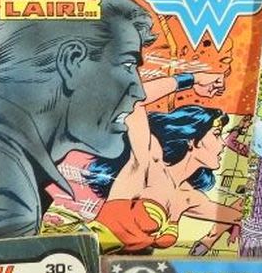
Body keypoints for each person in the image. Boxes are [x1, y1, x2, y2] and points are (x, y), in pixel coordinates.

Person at [0, 0, 204, 237]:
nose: (139, 91)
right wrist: (189, 79)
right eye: (128, 65)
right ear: (72, 61)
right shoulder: (11, 200)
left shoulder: (4, 155)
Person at [83, 100, 238, 253]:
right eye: (216, 135)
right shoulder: (150, 161)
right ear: (192, 139)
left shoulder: (190, 198)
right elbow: (135, 103)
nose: (223, 143)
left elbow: (240, 217)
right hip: (82, 248)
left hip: (115, 265)